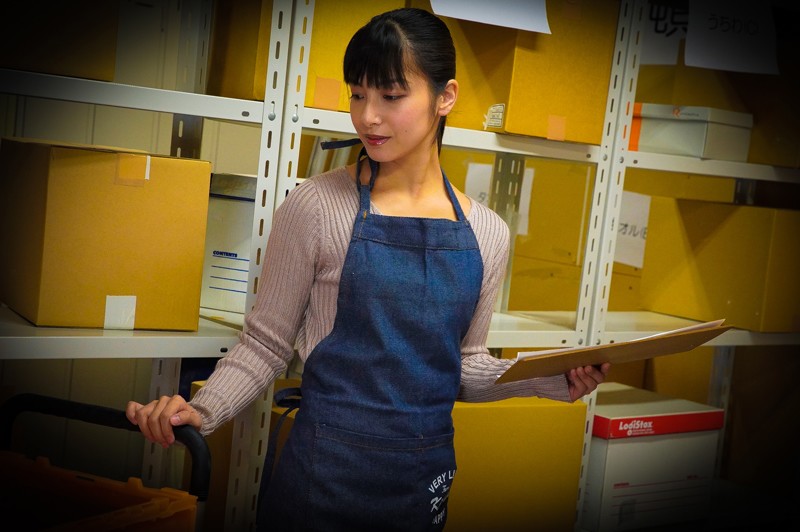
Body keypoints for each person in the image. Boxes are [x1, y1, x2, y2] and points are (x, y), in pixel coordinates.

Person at [126, 7, 609, 531]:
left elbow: (465, 367)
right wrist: (203, 410)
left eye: (391, 96)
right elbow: (266, 345)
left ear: (445, 97)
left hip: (421, 481)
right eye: (358, 95)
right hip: (323, 475)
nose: (367, 117)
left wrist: (547, 378)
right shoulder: (316, 206)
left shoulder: (487, 233)